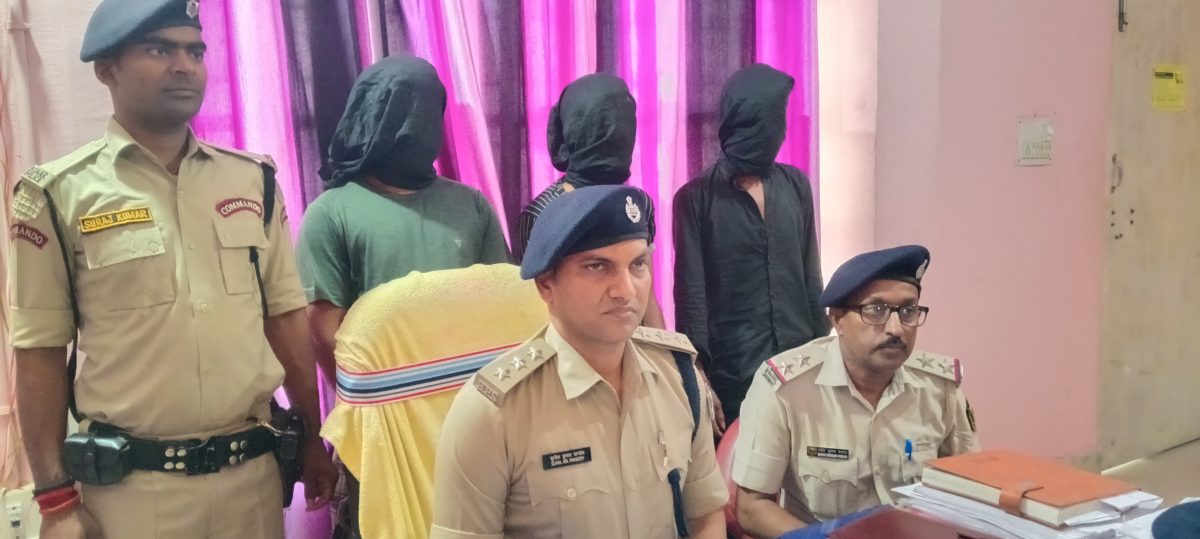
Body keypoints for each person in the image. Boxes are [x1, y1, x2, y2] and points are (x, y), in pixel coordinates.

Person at [7, 1, 336, 537]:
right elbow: (39, 350)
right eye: (160, 50)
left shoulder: (252, 181)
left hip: (250, 484)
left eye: (195, 52)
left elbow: (285, 318)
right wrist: (55, 499)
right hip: (132, 494)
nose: (184, 66)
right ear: (107, 70)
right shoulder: (58, 194)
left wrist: (312, 435)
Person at [431, 185, 727, 539]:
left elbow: (705, 517)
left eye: (637, 265)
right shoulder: (492, 411)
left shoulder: (680, 376)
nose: (625, 290)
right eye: (597, 266)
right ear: (546, 284)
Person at [295, 54, 510, 539]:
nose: (415, 125)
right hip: (381, 427)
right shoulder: (332, 213)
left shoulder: (470, 204)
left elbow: (498, 304)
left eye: (427, 109)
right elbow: (325, 331)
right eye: (401, 108)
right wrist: (379, 400)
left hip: (475, 419)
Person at [732, 245, 980, 538]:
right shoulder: (785, 389)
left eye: (908, 311)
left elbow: (969, 492)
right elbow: (752, 508)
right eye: (876, 310)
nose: (896, 328)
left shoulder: (940, 388)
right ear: (837, 319)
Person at [673, 63, 829, 427]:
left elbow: (811, 275)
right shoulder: (695, 199)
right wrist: (699, 378)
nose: (780, 129)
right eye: (774, 117)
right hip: (734, 377)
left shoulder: (796, 185)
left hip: (802, 367)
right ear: (749, 120)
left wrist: (825, 352)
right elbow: (692, 298)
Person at [514, 73, 666, 329]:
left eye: (621, 123)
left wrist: (664, 348)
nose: (614, 134)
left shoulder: (638, 203)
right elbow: (534, 306)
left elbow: (648, 296)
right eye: (600, 125)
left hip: (634, 342)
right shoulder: (543, 212)